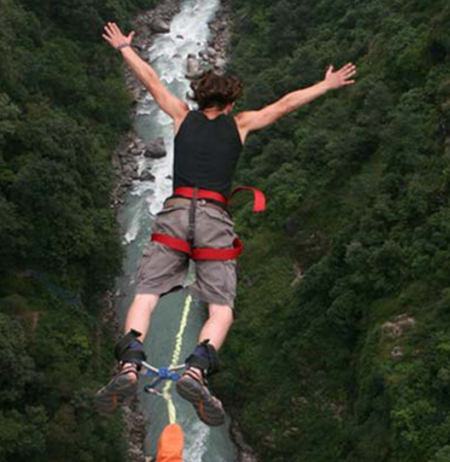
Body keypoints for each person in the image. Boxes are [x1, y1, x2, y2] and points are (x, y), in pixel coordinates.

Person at [95, 22, 356, 426]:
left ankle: (129, 366)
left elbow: (150, 80)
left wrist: (125, 48)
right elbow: (285, 104)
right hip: (214, 221)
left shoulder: (181, 116)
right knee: (220, 310)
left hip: (176, 215)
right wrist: (326, 85)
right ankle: (197, 371)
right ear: (232, 102)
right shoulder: (241, 124)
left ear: (199, 99)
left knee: (146, 294)